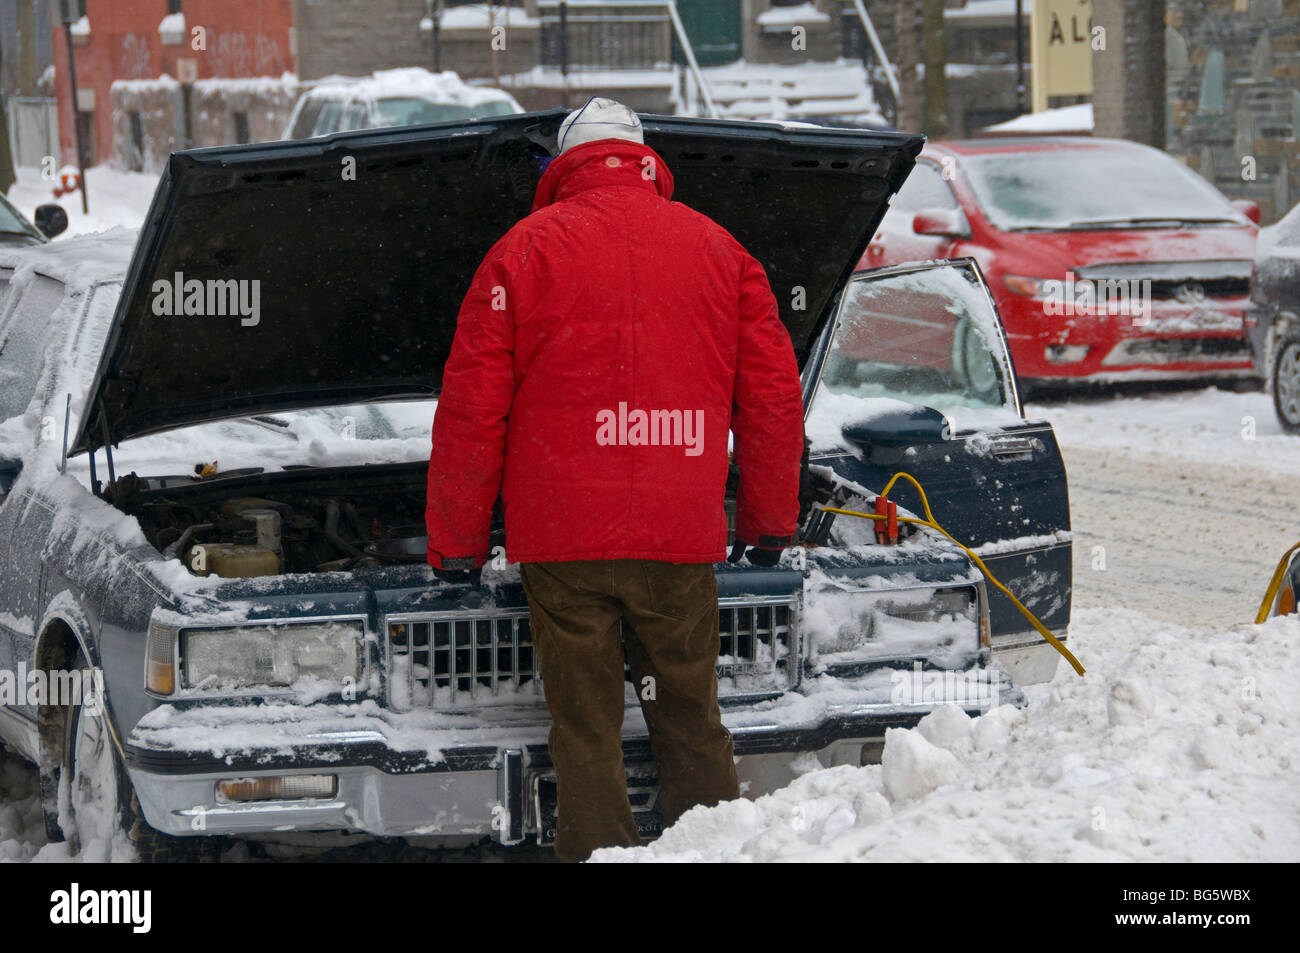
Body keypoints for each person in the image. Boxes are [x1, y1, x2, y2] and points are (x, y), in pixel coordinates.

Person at [425, 97, 805, 861]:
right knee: (691, 713)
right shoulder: (722, 251)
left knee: (585, 725)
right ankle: (712, 845)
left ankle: (598, 849)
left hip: (563, 541)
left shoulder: (520, 253)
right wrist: (769, 525)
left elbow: (472, 412)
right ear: (643, 159)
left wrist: (456, 546)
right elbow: (771, 400)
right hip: (677, 531)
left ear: (564, 165)